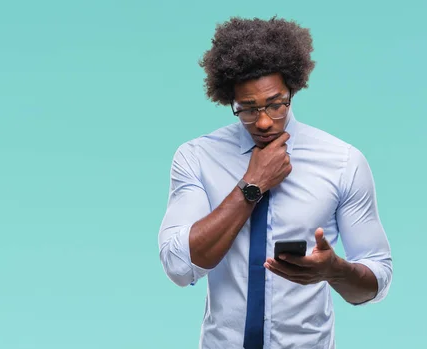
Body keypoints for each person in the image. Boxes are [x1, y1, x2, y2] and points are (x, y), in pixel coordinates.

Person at [157, 16, 393, 349]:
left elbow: (376, 282)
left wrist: (334, 270)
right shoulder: (197, 158)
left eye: (276, 104)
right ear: (230, 102)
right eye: (248, 109)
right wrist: (252, 185)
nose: (265, 121)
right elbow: (179, 266)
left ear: (292, 91)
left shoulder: (342, 162)